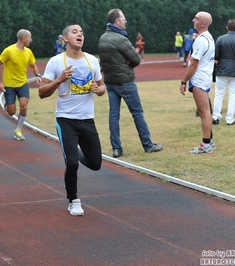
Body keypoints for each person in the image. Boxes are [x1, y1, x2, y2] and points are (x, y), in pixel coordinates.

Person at [39, 24, 106, 216]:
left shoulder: (91, 60)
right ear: (65, 38)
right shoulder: (56, 61)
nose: (80, 35)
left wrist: (98, 89)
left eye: (82, 32)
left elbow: (102, 88)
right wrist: (59, 80)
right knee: (72, 163)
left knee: (95, 163)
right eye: (75, 32)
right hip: (66, 120)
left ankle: (73, 152)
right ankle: (73, 200)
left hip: (87, 119)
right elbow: (42, 93)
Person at [98, 8, 163, 158]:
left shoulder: (103, 38)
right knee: (137, 113)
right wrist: (126, 64)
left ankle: (116, 149)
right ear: (117, 21)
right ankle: (148, 145)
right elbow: (136, 59)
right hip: (125, 81)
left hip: (110, 82)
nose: (125, 22)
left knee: (114, 115)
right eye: (124, 20)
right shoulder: (121, 39)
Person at [0, 29, 42, 141]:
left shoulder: (28, 52)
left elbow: (33, 65)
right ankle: (8, 104)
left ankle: (18, 130)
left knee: (24, 106)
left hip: (22, 83)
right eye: (30, 37)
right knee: (11, 112)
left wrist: (38, 75)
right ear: (24, 39)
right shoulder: (9, 51)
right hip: (10, 85)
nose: (31, 40)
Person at [180, 11, 215, 154]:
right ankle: (209, 141)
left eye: (197, 18)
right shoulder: (208, 37)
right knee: (204, 111)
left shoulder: (201, 40)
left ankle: (206, 145)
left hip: (199, 79)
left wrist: (184, 81)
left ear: (203, 24)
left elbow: (194, 64)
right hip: (204, 77)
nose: (193, 20)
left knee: (204, 112)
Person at [212, 19, 235, 126]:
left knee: (219, 94)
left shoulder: (220, 39)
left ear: (227, 28)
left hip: (222, 69)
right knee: (233, 95)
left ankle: (216, 117)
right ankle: (230, 119)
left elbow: (216, 55)